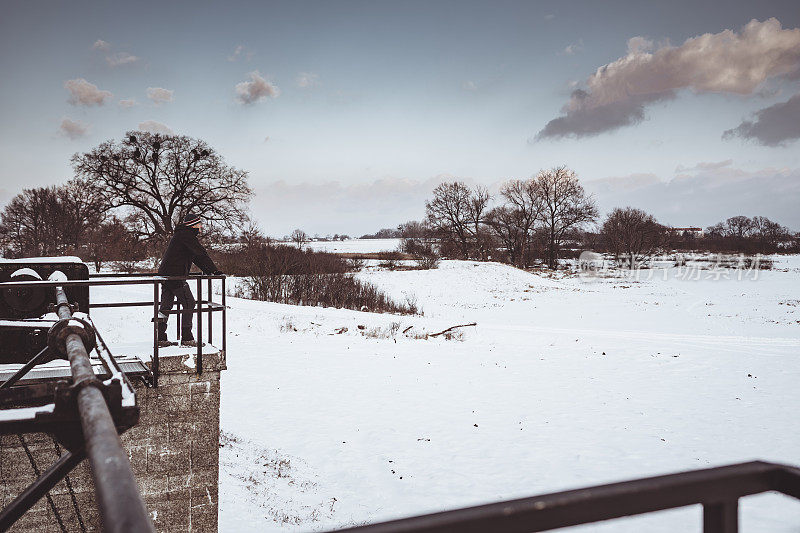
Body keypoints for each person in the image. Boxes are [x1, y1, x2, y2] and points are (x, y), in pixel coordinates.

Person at [156, 213, 222, 345]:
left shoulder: (181, 235)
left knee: (166, 306)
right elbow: (201, 254)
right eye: (199, 224)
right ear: (193, 225)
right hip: (175, 275)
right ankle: (187, 337)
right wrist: (214, 270)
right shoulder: (186, 235)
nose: (201, 226)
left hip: (166, 275)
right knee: (189, 303)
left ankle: (160, 337)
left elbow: (196, 257)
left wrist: (211, 271)